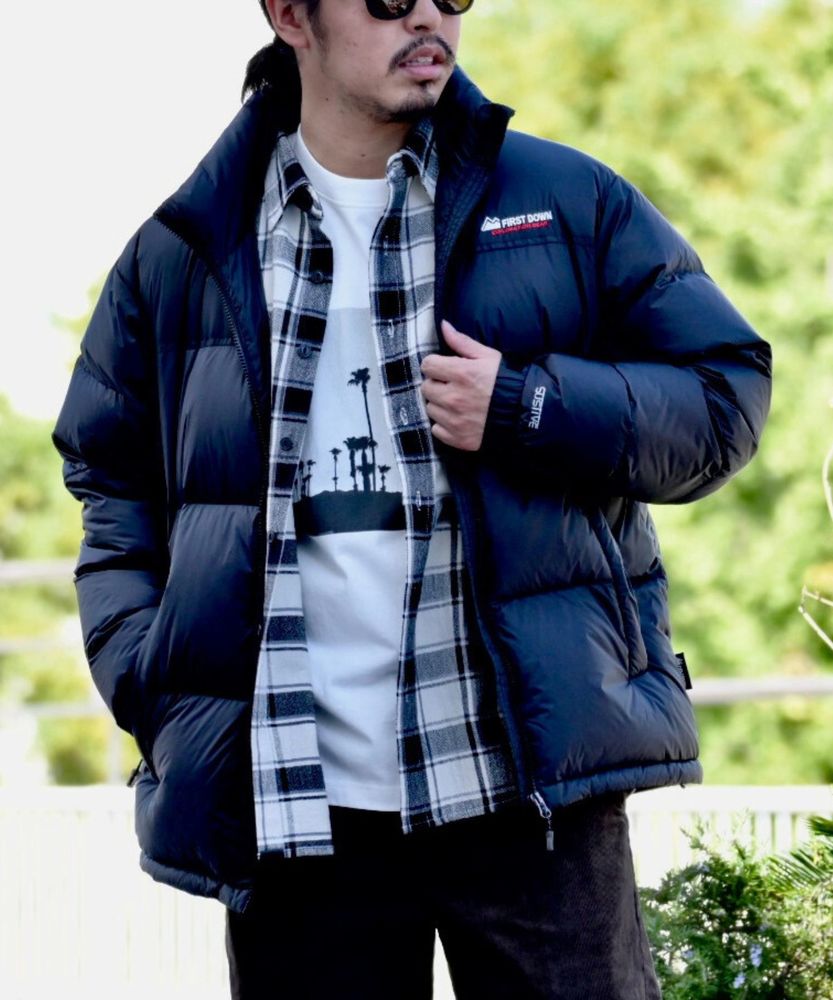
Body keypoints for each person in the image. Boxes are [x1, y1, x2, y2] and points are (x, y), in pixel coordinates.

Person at [53, 1, 772, 997]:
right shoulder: (184, 251)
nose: (428, 16)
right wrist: (154, 679)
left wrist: (526, 405)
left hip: (525, 790)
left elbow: (722, 395)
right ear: (290, 14)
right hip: (296, 807)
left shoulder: (563, 203)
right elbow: (108, 478)